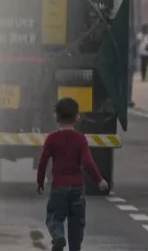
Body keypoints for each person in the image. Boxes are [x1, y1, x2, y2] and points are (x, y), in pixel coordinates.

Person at [36, 97, 107, 251]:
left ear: (55, 117)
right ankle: (74, 248)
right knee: (77, 222)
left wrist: (40, 182)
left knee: (54, 217)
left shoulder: (52, 139)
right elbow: (88, 162)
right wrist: (99, 180)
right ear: (77, 117)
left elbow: (43, 162)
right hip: (77, 187)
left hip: (58, 186)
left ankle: (58, 236)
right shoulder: (80, 139)